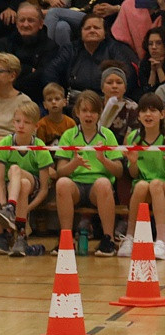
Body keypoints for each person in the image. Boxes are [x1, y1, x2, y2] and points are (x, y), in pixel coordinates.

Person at [55, 89, 124, 257]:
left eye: (93, 111)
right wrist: (75, 163)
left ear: (99, 114)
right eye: (84, 110)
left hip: (97, 189)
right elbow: (60, 171)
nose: (89, 115)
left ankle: (108, 240)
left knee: (103, 183)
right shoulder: (69, 135)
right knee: (62, 183)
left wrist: (103, 159)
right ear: (77, 112)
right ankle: (66, 239)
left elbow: (119, 171)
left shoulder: (107, 136)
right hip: (76, 188)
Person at [0, 101, 53, 256]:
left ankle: (10, 210)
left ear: (35, 127)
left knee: (15, 169)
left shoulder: (39, 147)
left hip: (35, 189)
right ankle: (21, 238)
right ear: (13, 123)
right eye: (18, 121)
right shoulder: (5, 144)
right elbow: (0, 184)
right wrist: (4, 203)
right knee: (21, 184)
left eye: (26, 122)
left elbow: (44, 189)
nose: (21, 126)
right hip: (14, 189)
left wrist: (23, 210)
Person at [43, 13, 139, 96]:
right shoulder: (71, 49)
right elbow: (50, 71)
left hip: (107, 100)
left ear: (105, 33)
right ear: (81, 32)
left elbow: (128, 75)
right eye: (87, 28)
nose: (92, 30)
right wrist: (57, 93)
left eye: (96, 28)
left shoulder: (115, 48)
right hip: (75, 102)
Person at [119, 92, 165, 258]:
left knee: (155, 184)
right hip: (143, 187)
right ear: (138, 116)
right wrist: (133, 161)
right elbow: (133, 174)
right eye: (144, 110)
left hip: (162, 186)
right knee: (141, 185)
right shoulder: (133, 138)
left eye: (153, 110)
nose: (148, 114)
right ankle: (130, 237)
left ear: (162, 114)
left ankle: (161, 240)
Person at [0, 2, 57, 104]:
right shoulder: (2, 44)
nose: (25, 24)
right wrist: (28, 69)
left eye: (31, 20)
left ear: (41, 24)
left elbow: (42, 78)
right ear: (17, 23)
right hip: (2, 99)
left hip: (35, 101)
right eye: (22, 20)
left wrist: (11, 78)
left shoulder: (51, 47)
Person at [45, 0, 138, 46]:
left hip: (114, 21)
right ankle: (65, 62)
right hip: (91, 15)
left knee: (53, 12)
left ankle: (46, 53)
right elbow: (93, 1)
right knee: (61, 26)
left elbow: (145, 5)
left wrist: (116, 9)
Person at [36, 82, 75, 146]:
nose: (53, 102)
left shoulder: (70, 123)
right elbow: (40, 148)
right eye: (49, 100)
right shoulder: (42, 125)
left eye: (57, 99)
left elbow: (73, 144)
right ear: (45, 105)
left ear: (64, 102)